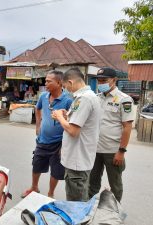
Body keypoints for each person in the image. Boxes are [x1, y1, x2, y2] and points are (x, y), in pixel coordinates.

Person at [21, 70, 72, 198]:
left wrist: (65, 144)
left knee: (56, 171)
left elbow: (72, 122)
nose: (46, 83)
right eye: (46, 81)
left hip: (59, 143)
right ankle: (34, 187)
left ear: (59, 82)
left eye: (49, 81)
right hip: (42, 140)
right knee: (36, 164)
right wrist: (38, 126)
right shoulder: (43, 96)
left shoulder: (68, 100)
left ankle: (50, 193)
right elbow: (37, 109)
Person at [52, 68, 100, 201]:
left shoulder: (84, 99)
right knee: (78, 199)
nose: (65, 89)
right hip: (79, 157)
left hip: (77, 161)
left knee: (76, 204)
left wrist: (59, 117)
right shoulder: (88, 96)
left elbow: (73, 131)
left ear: (71, 82)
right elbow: (80, 123)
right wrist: (66, 116)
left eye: (65, 86)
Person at [88, 67, 134, 202]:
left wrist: (121, 151)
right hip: (94, 149)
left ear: (114, 80)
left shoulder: (124, 99)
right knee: (92, 183)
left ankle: (115, 212)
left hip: (112, 151)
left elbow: (127, 127)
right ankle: (91, 210)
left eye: (104, 80)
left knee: (115, 185)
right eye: (99, 80)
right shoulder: (96, 98)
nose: (101, 83)